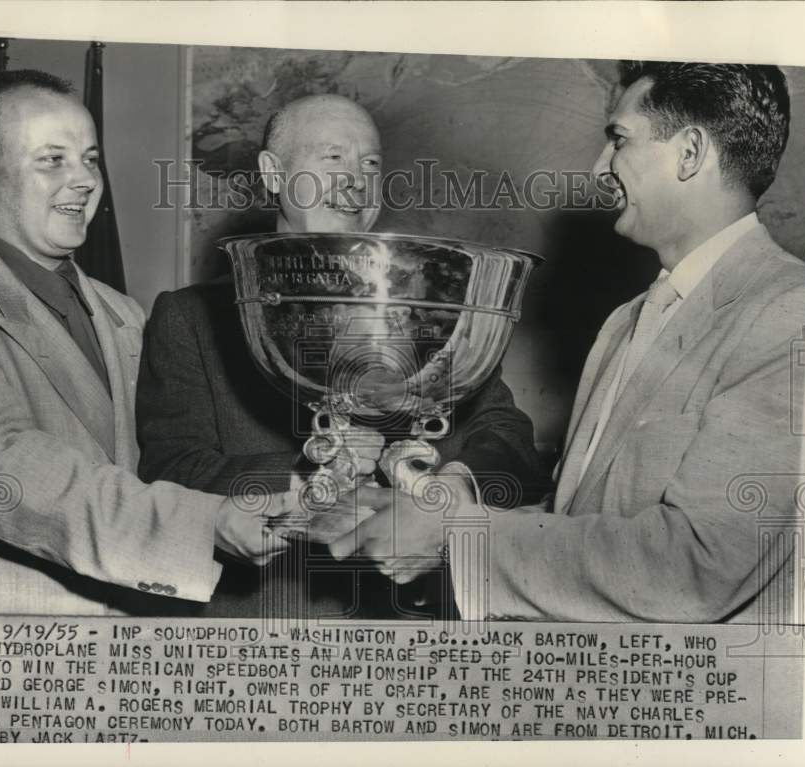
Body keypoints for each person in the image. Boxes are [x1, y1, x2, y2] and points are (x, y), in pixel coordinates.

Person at [336, 62, 805, 624]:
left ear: (690, 153)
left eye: (619, 140)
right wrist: (453, 510)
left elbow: (696, 570)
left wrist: (458, 538)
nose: (600, 167)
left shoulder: (792, 315)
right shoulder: (626, 321)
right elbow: (578, 515)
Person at [136, 93, 543, 619]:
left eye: (370, 164)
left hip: (420, 624)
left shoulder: (438, 313)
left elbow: (511, 442)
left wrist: (451, 482)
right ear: (273, 173)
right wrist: (309, 472)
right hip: (275, 626)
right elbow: (170, 469)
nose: (355, 180)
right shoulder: (191, 317)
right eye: (332, 159)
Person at [0, 70, 288, 616]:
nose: (84, 179)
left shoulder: (124, 311)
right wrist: (207, 524)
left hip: (135, 635)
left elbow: (163, 463)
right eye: (52, 159)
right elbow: (4, 468)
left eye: (90, 159)